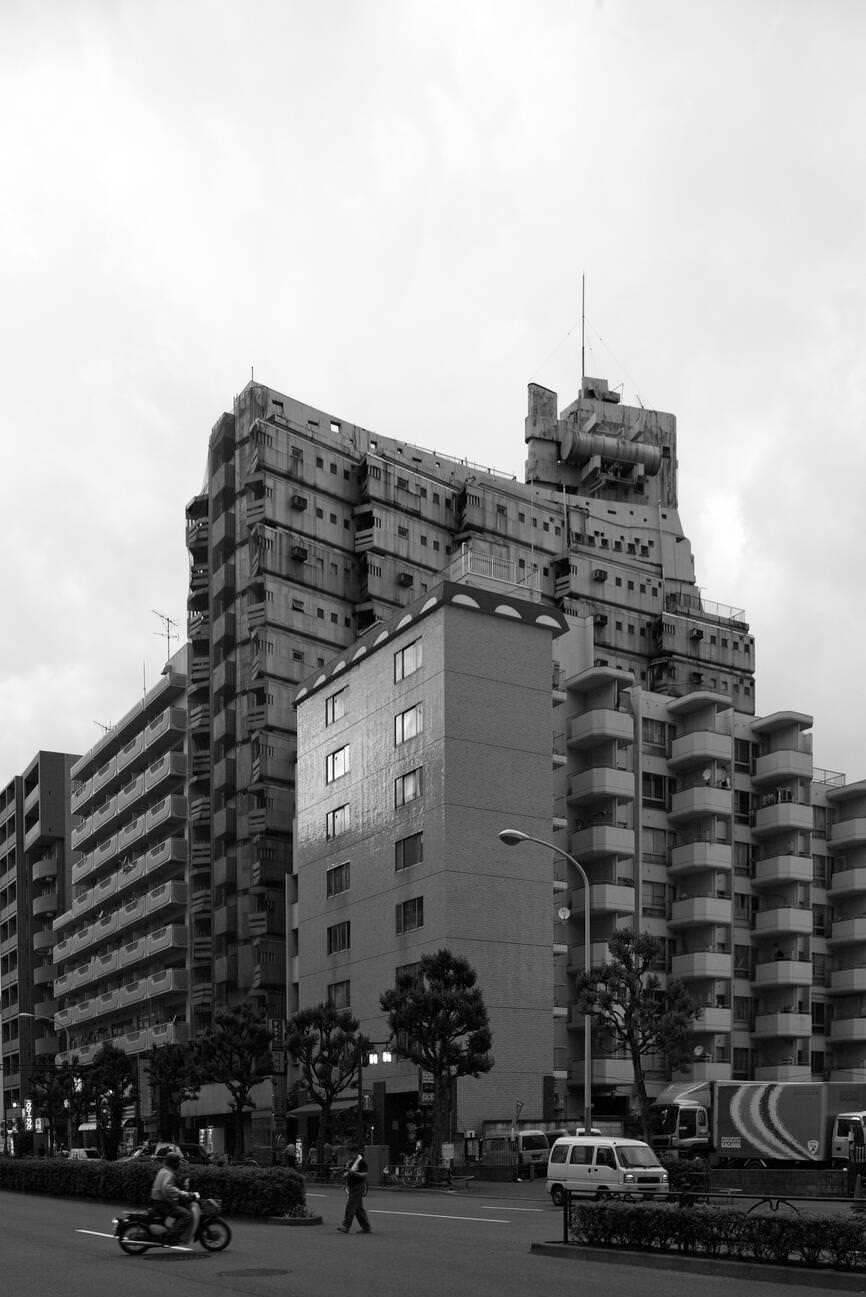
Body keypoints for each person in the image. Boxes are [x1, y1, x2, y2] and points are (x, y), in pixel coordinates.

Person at [150, 1151, 199, 1244]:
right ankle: (171, 1236)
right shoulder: (169, 1173)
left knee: (180, 1211)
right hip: (163, 1203)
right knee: (186, 1215)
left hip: (158, 1201)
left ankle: (173, 1232)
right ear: (174, 1163)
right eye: (177, 1162)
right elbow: (167, 1188)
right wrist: (182, 1194)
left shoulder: (163, 1171)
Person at [337, 1141, 371, 1234]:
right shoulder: (351, 1162)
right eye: (349, 1154)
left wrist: (354, 1173)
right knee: (358, 1209)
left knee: (350, 1206)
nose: (350, 1156)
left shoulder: (361, 1162)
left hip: (358, 1186)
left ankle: (346, 1226)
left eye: (351, 1154)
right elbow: (347, 1172)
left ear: (357, 1153)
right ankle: (366, 1227)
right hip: (352, 1186)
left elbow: (364, 1174)